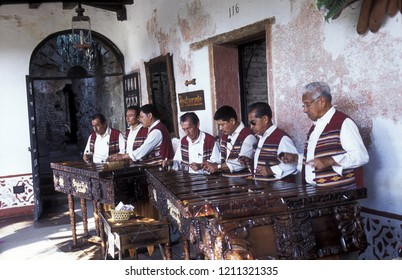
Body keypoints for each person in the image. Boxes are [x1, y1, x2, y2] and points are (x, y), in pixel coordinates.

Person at [281, 81, 369, 187]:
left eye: (308, 104)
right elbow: (316, 159)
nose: (305, 110)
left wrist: (330, 161)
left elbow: (361, 156)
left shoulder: (343, 123)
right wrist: (296, 159)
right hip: (317, 191)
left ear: (322, 101)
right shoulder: (315, 127)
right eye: (303, 105)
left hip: (338, 194)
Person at [247, 102, 298, 182]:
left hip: (278, 191)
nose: (251, 127)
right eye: (250, 124)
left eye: (253, 123)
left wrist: (272, 170)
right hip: (263, 190)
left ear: (265, 119)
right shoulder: (260, 138)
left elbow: (293, 164)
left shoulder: (282, 139)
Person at [203, 105, 257, 177]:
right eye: (219, 125)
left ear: (232, 121)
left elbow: (241, 163)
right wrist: (208, 165)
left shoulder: (248, 136)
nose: (220, 128)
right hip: (226, 179)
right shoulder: (225, 136)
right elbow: (220, 159)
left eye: (222, 125)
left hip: (244, 181)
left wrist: (218, 167)